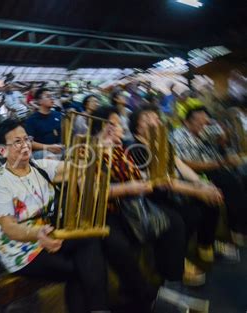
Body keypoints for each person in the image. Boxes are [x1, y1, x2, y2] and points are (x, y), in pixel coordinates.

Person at [90, 106, 207, 312]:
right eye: (114, 124)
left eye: (118, 124)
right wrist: (131, 186)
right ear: (102, 127)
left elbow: (140, 177)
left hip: (128, 205)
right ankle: (151, 297)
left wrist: (197, 185)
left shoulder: (120, 149)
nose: (119, 128)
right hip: (104, 211)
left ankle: (172, 286)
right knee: (119, 246)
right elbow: (91, 191)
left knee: (175, 221)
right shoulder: (89, 150)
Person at [0, 118, 109, 313]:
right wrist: (37, 234)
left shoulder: (40, 167)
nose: (25, 145)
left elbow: (76, 169)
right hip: (21, 250)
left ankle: (99, 309)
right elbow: (10, 228)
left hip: (51, 232)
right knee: (78, 269)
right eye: (17, 142)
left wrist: (87, 153)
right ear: (3, 150)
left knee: (90, 239)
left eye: (26, 139)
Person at [128, 105, 225, 283]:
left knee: (199, 209)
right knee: (177, 220)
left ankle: (199, 247)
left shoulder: (160, 141)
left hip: (167, 192)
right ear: (137, 126)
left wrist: (201, 183)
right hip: (145, 199)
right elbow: (159, 182)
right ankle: (172, 271)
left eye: (155, 117)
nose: (155, 120)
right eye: (148, 117)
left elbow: (179, 164)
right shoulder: (135, 148)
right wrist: (198, 191)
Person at [172, 106, 247, 248]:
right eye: (199, 122)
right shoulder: (179, 135)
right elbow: (186, 164)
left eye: (206, 122)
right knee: (231, 182)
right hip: (198, 172)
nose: (204, 125)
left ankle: (239, 226)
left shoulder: (205, 131)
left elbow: (224, 142)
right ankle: (236, 230)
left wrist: (222, 137)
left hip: (215, 166)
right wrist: (221, 163)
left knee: (242, 176)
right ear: (187, 122)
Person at [25, 88, 64, 160]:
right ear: (40, 101)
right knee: (51, 157)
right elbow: (29, 142)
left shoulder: (58, 115)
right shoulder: (32, 120)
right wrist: (48, 147)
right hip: (41, 151)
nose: (52, 98)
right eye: (48, 96)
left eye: (52, 96)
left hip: (58, 147)